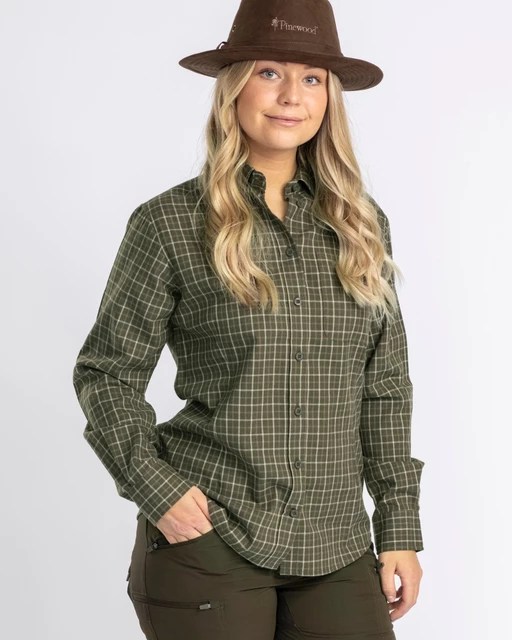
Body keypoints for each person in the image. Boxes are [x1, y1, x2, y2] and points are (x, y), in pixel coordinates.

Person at [72, 0, 425, 638]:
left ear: (330, 98)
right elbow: (107, 373)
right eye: (269, 72)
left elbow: (384, 386)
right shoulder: (168, 223)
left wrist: (398, 525)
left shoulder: (362, 226)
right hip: (212, 534)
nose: (292, 95)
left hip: (336, 541)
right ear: (233, 87)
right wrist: (157, 489)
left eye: (312, 78)